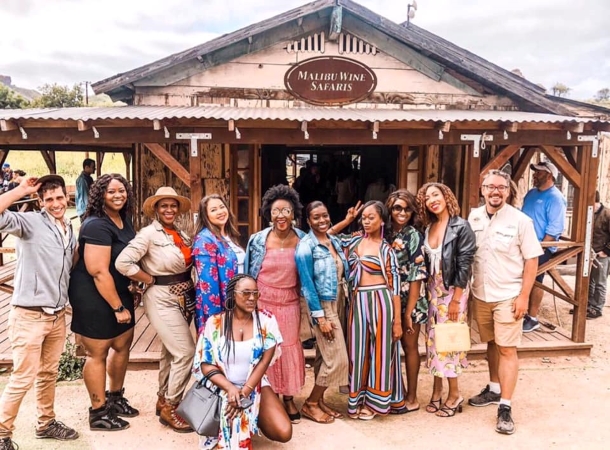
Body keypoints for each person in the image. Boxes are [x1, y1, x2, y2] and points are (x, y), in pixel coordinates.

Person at [0, 175, 79, 449]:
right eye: (49, 200)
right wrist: (20, 189)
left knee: (48, 373)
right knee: (22, 377)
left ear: (66, 197)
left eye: (59, 198)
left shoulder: (69, 226)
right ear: (40, 201)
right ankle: (1, 435)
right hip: (29, 315)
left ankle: (46, 423)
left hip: (57, 315)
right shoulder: (30, 223)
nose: (56, 204)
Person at [467, 169, 542, 434]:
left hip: (508, 296)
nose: (495, 192)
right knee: (491, 343)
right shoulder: (473, 217)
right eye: (490, 187)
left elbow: (532, 260)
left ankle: (506, 407)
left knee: (507, 348)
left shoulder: (521, 221)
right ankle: (494, 388)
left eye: (501, 187)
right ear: (482, 189)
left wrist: (524, 296)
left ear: (508, 191)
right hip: (480, 294)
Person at [115, 187, 195, 433]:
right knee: (185, 351)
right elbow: (122, 262)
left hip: (184, 297)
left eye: (173, 206)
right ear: (156, 209)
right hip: (161, 297)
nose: (169, 210)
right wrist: (146, 279)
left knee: (171, 352)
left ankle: (162, 398)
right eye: (164, 206)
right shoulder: (148, 234)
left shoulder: (180, 233)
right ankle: (172, 406)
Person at [68, 173, 138, 431]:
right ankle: (98, 412)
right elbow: (98, 271)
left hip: (119, 289)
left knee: (122, 343)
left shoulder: (122, 219)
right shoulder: (96, 225)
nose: (118, 195)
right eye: (111, 192)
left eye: (122, 190)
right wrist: (117, 307)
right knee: (98, 352)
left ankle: (115, 398)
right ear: (100, 195)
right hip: (94, 293)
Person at [193, 274, 292, 450]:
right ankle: (235, 432)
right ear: (232, 294)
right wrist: (230, 389)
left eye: (255, 293)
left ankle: (249, 420)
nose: (252, 298)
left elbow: (264, 363)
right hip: (221, 385)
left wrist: (244, 392)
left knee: (283, 431)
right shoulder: (214, 323)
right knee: (232, 413)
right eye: (246, 293)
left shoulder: (266, 320)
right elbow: (205, 364)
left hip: (254, 383)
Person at [244, 185, 306, 423]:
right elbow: (249, 272)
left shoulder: (303, 239)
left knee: (288, 346)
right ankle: (267, 399)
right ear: (268, 213)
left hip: (289, 301)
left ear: (294, 213)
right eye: (276, 210)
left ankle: (288, 398)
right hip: (263, 302)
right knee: (264, 349)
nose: (281, 215)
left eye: (286, 210)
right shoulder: (257, 240)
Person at [338, 201, 404, 419]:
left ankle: (376, 403)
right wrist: (347, 220)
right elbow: (327, 236)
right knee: (358, 351)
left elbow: (394, 286)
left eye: (371, 217)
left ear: (382, 220)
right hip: (357, 300)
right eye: (363, 218)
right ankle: (358, 398)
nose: (366, 221)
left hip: (381, 300)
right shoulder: (354, 241)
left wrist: (397, 321)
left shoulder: (386, 249)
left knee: (381, 352)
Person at [416, 183, 476, 418]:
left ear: (446, 196)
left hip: (453, 291)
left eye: (436, 195)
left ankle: (455, 394)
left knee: (450, 342)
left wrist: (456, 299)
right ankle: (437, 389)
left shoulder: (461, 227)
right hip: (433, 291)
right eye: (428, 197)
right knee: (433, 342)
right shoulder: (429, 226)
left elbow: (464, 264)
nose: (432, 200)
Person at [295, 201, 350, 424]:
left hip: (339, 299)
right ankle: (310, 402)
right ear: (308, 221)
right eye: (316, 217)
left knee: (323, 355)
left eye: (325, 216)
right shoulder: (305, 247)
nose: (321, 221)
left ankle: (319, 401)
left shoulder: (333, 240)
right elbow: (307, 284)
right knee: (338, 358)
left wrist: (347, 220)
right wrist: (320, 317)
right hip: (322, 305)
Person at [385, 189, 428, 413]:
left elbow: (416, 276)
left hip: (410, 299)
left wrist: (408, 312)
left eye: (406, 208)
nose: (402, 212)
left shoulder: (413, 235)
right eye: (397, 208)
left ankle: (411, 396)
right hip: (386, 298)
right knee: (387, 347)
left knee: (410, 346)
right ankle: (391, 392)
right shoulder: (384, 232)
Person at [521, 161, 567, 332]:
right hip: (524, 244)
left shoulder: (556, 198)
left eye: (539, 172)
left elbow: (555, 228)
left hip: (540, 247)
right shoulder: (531, 193)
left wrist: (541, 247)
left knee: (536, 281)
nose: (535, 175)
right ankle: (522, 312)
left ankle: (532, 318)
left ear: (550, 175)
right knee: (522, 279)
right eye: (535, 172)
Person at [192, 194, 244, 336]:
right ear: (205, 215)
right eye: (213, 210)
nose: (220, 212)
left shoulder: (229, 235)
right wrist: (216, 318)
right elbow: (208, 284)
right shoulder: (205, 239)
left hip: (237, 302)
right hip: (218, 307)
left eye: (222, 207)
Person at [585, 190, 610, 319]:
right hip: (590, 252)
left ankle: (597, 308)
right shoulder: (588, 213)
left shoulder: (607, 214)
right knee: (589, 280)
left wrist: (606, 251)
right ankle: (588, 305)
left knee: (600, 282)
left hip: (602, 254)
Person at [75, 158, 96, 222]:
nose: (95, 169)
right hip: (85, 210)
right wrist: (89, 209)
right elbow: (84, 196)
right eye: (93, 167)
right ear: (86, 167)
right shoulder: (82, 180)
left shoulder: (89, 178)